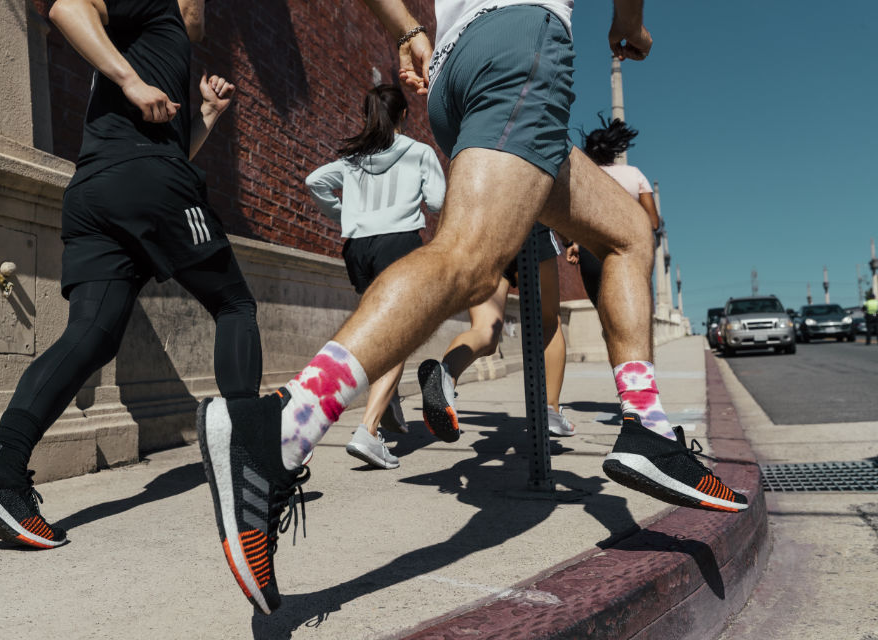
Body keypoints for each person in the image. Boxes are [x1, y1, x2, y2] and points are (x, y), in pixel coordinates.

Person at [196, 0, 747, 616]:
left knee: (627, 233)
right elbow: (622, 23)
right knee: (468, 258)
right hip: (524, 43)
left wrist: (410, 33)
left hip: (455, 71)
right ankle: (278, 429)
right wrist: (629, 23)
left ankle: (647, 428)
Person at [0, 0, 254, 550]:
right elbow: (67, 6)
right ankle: (252, 465)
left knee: (93, 332)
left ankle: (0, 461)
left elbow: (170, 146)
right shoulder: (157, 8)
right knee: (234, 305)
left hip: (96, 190)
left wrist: (205, 114)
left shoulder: (157, 45)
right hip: (145, 181)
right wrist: (131, 82)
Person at [305, 84, 446, 469]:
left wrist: (346, 214)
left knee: (380, 330)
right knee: (398, 337)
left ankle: (387, 401)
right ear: (404, 115)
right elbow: (436, 202)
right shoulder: (419, 152)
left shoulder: (354, 157)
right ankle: (367, 432)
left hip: (358, 249)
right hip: (398, 244)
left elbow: (315, 181)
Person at [418, 222, 576, 441]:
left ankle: (445, 376)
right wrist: (569, 239)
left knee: (484, 330)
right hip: (529, 229)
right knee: (549, 323)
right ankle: (550, 411)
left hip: (485, 234)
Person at [566, 116, 660, 320]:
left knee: (607, 317)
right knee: (631, 317)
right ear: (614, 150)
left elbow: (576, 219)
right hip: (630, 250)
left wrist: (574, 243)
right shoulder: (634, 174)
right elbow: (653, 223)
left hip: (592, 253)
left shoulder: (583, 178)